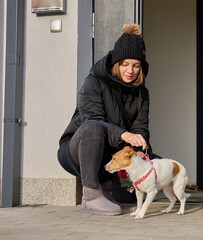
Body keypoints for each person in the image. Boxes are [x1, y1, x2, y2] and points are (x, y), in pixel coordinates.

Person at [57, 24, 153, 216]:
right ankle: (91, 195)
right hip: (77, 151)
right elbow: (92, 120)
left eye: (136, 65)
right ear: (115, 63)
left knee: (155, 163)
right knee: (92, 127)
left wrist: (141, 152)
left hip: (110, 155)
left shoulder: (142, 93)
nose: (130, 71)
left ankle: (109, 184)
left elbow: (140, 128)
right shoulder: (93, 82)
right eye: (125, 64)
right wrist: (124, 134)